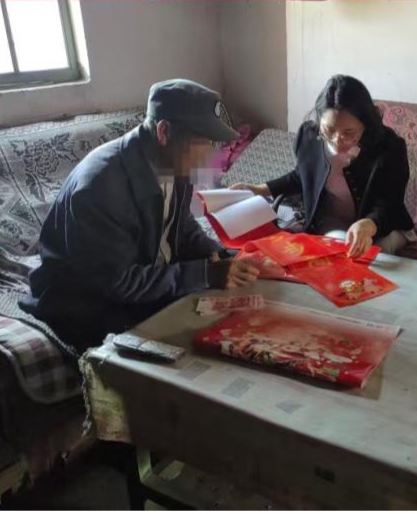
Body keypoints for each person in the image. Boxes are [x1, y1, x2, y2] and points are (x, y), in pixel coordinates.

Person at [22, 79, 260, 351]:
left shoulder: (174, 162)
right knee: (201, 348)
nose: (210, 153)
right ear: (164, 131)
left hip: (139, 282)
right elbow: (116, 283)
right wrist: (204, 275)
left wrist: (220, 254)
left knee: (245, 316)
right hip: (86, 303)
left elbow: (180, 225)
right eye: (203, 142)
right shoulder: (101, 186)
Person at [243, 75, 416, 255]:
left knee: (374, 255)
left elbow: (389, 204)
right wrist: (258, 190)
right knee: (337, 253)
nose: (337, 139)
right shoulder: (309, 137)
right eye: (329, 129)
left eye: (349, 132)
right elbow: (302, 177)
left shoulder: (389, 147)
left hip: (384, 226)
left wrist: (368, 224)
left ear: (365, 124)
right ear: (319, 120)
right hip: (334, 223)